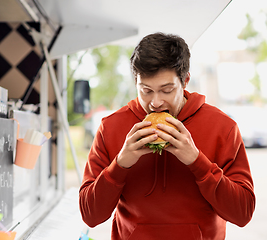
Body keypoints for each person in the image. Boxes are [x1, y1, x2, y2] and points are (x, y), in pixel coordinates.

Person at [79, 32, 255, 240]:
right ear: (136, 82)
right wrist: (120, 164)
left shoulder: (223, 127)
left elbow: (242, 214)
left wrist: (197, 161)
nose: (155, 102)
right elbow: (90, 216)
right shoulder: (110, 127)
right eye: (146, 90)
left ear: (185, 80)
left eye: (167, 90)